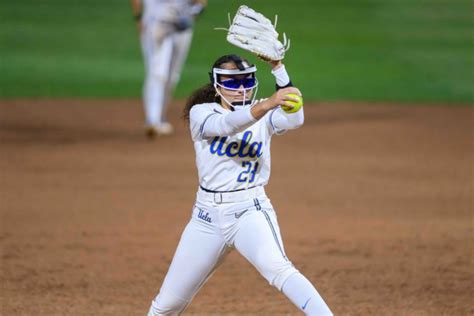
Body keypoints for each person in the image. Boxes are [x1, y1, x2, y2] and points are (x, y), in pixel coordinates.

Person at [146, 54, 333, 315]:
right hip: (205, 219)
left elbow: (294, 119)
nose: (242, 88)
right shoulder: (202, 113)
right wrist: (268, 103)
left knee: (279, 269)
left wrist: (279, 69)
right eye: (233, 83)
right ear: (217, 85)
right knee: (168, 304)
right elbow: (228, 124)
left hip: (250, 212)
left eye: (246, 81)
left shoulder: (263, 113)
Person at [130, 0, 207, 138]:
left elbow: (200, 2)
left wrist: (195, 12)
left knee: (172, 76)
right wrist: (139, 18)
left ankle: (160, 117)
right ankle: (152, 120)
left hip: (182, 27)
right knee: (157, 72)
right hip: (156, 24)